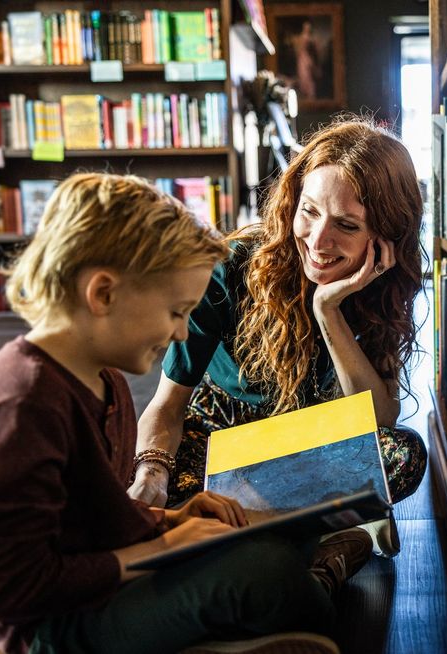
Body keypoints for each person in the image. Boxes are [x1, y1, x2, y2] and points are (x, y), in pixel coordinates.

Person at [0, 173, 340, 654]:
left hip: (103, 587)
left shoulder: (105, 382)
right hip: (53, 630)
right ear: (103, 293)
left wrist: (165, 521)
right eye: (175, 311)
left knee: (271, 541)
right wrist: (167, 545)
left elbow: (90, 518)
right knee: (268, 572)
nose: (180, 333)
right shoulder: (17, 410)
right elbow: (10, 590)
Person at [127, 117, 428, 570]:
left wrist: (329, 311)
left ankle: (254, 540)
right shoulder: (231, 267)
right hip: (220, 447)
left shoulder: (382, 286)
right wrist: (151, 473)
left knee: (404, 453)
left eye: (346, 225)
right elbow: (168, 404)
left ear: (385, 236)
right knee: (162, 490)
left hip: (308, 454)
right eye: (308, 211)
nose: (318, 241)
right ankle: (325, 536)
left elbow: (378, 418)